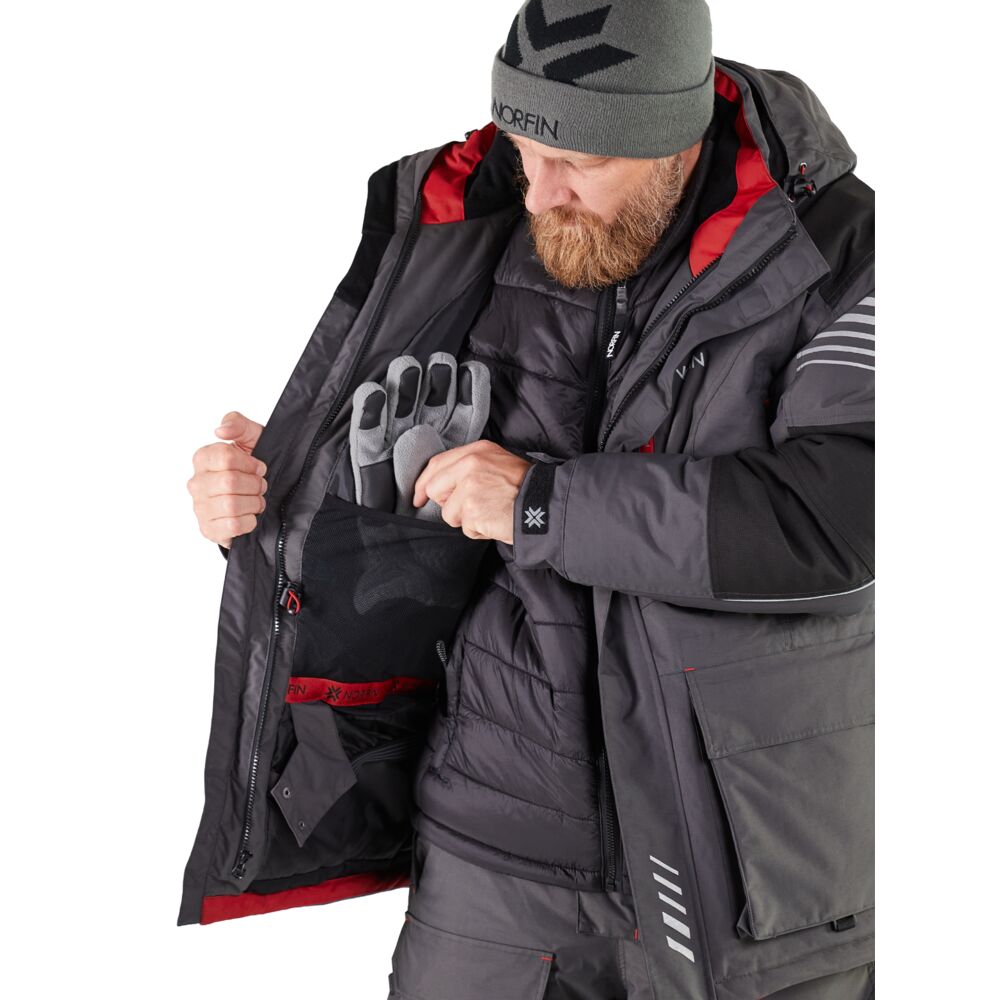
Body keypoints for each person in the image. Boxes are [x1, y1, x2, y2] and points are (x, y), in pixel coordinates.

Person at [183, 2, 874, 997]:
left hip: (755, 867)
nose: (540, 191)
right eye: (523, 147)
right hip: (491, 858)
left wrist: (544, 505)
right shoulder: (476, 226)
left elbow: (847, 516)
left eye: (579, 161)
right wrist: (278, 502)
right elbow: (401, 482)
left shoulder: (839, 250)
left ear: (674, 136)